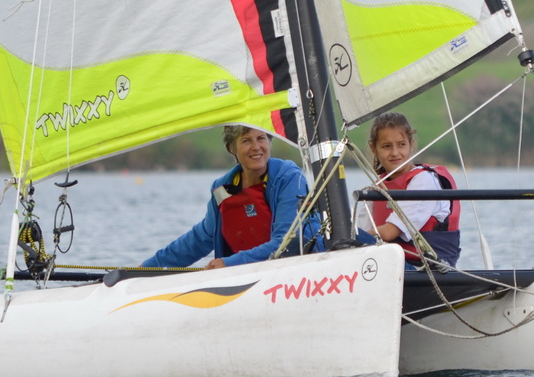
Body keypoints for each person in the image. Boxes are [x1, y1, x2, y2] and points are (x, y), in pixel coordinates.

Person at [142, 125, 320, 269]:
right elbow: (198, 240)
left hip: (298, 268)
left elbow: (286, 242)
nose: (256, 147)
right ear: (232, 148)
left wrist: (229, 263)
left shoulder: (288, 177)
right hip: (246, 273)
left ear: (269, 142)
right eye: (246, 140)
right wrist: (146, 269)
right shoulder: (223, 188)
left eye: (261, 138)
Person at [359, 111, 461, 267]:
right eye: (386, 146)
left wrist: (351, 239)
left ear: (411, 144)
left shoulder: (424, 181)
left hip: (426, 269)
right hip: (388, 264)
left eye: (401, 144)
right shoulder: (375, 189)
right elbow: (363, 232)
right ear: (374, 148)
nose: (395, 153)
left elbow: (389, 232)